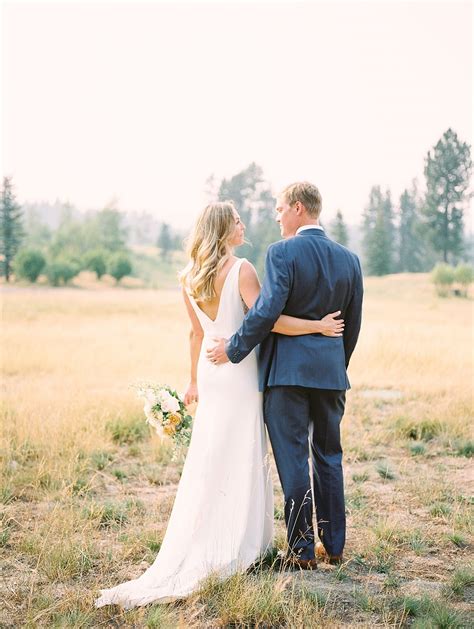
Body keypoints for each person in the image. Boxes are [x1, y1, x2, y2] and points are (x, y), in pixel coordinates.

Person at [95, 200, 344, 609]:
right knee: (243, 450)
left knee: (212, 453)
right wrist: (317, 326)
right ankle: (240, 542)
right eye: (237, 221)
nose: (244, 225)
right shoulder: (242, 270)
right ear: (223, 229)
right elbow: (269, 319)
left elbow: (195, 334)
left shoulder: (189, 276)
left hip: (211, 371)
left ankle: (210, 532)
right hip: (240, 369)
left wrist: (193, 380)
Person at [208, 182, 363, 568]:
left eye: (279, 209)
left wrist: (234, 348)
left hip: (287, 377)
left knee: (293, 459)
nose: (276, 216)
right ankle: (336, 546)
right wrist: (334, 365)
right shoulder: (350, 259)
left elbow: (265, 312)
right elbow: (353, 325)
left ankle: (302, 550)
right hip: (330, 375)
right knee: (329, 457)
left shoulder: (282, 253)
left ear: (297, 208)